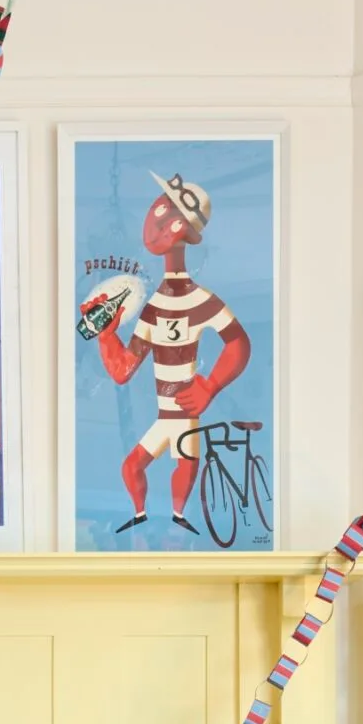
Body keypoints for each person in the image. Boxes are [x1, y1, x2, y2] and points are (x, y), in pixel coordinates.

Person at [80, 172, 250, 539]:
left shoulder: (200, 300)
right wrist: (105, 334)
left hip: (186, 412)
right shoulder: (154, 306)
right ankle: (141, 517)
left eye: (168, 214)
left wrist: (210, 386)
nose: (156, 219)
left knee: (184, 465)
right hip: (163, 413)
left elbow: (239, 344)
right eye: (159, 207)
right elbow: (124, 369)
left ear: (182, 229)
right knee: (132, 468)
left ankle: (178, 522)